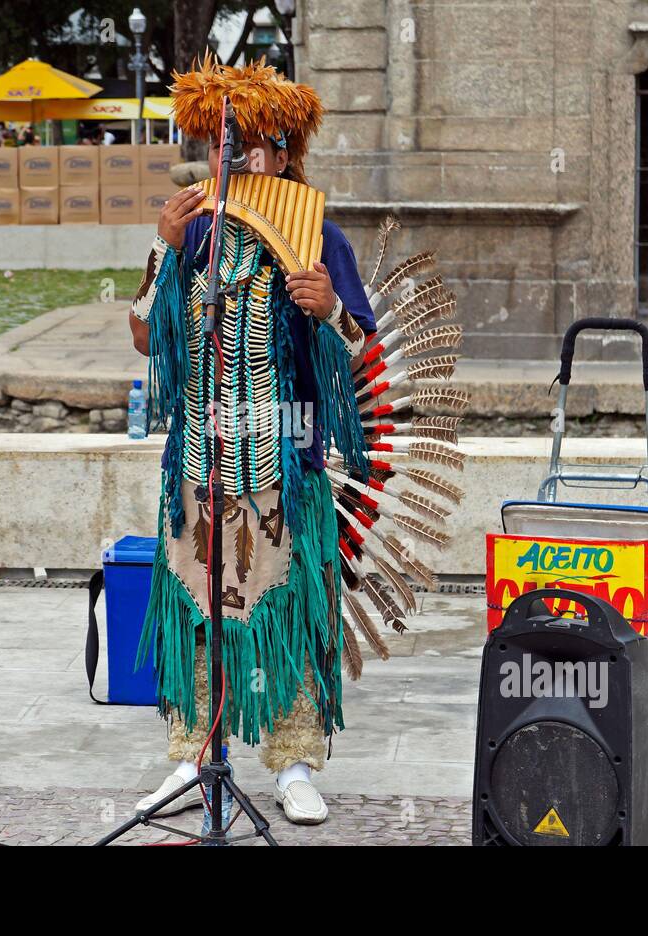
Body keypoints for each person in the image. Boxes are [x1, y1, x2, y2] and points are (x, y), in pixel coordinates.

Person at [128, 58, 377, 825]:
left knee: (286, 615)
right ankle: (192, 755)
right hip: (199, 463)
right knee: (196, 612)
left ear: (283, 157)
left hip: (282, 463)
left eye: (246, 150)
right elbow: (143, 337)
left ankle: (296, 764)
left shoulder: (318, 236)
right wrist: (165, 250)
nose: (229, 164)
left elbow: (362, 350)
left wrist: (330, 308)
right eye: (217, 150)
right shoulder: (190, 235)